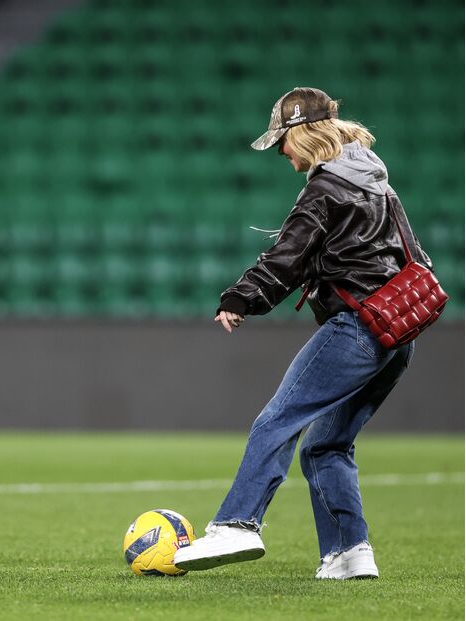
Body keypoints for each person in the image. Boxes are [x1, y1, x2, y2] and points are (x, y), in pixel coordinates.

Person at [172, 87, 430, 579]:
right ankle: (348, 553)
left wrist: (241, 296)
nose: (281, 152)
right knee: (325, 446)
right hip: (399, 336)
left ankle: (237, 522)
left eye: (282, 141)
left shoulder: (325, 188)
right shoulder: (378, 184)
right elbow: (412, 258)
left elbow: (286, 257)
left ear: (303, 133)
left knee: (278, 419)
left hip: (357, 329)